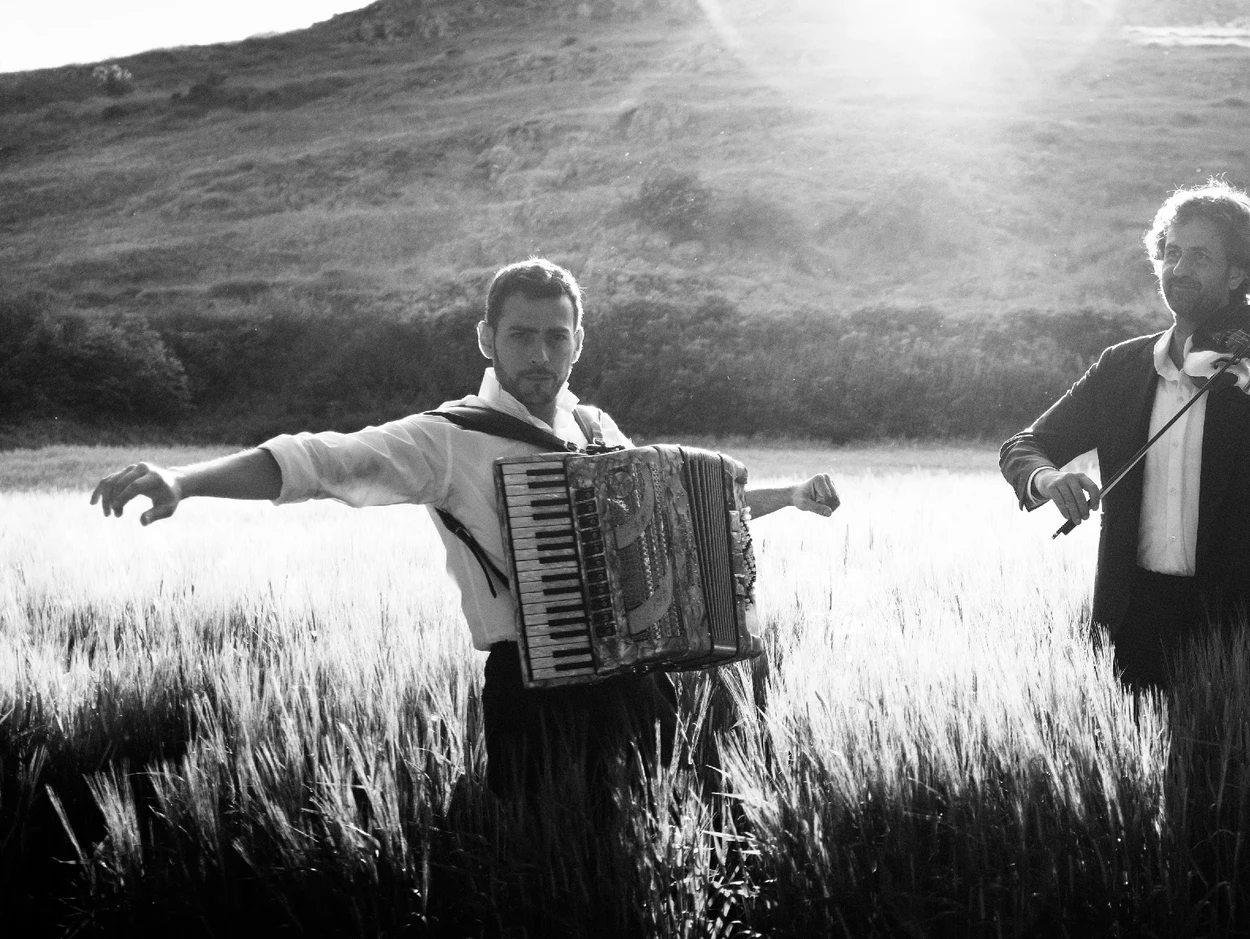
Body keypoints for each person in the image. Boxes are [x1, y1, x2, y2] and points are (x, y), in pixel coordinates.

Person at [91, 257, 840, 803]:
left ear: (580, 339)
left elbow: (686, 513)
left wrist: (793, 496)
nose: (540, 354)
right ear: (487, 337)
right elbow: (322, 461)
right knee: (545, 887)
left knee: (649, 860)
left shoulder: (595, 426)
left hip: (640, 685)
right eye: (521, 336)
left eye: (556, 336)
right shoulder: (446, 437)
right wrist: (185, 481)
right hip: (533, 692)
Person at [998, 178, 1250, 696]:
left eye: (1200, 257)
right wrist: (1047, 480)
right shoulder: (1120, 368)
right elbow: (1023, 447)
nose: (1179, 269)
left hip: (1247, 624)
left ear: (1238, 274)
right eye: (1171, 253)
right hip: (1137, 619)